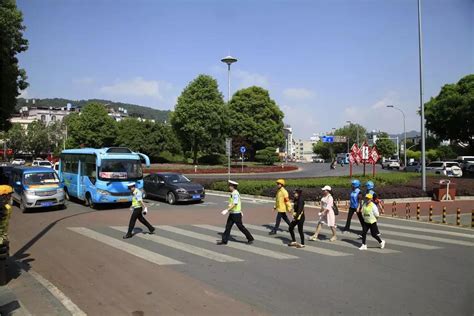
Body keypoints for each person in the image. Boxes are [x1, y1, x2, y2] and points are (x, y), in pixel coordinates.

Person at [218, 180, 254, 245]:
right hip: (232, 213)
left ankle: (250, 238)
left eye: (229, 186)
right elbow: (234, 203)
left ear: (233, 186)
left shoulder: (235, 194)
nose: (229, 187)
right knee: (228, 227)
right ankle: (224, 241)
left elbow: (235, 203)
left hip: (236, 214)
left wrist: (227, 210)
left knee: (241, 227)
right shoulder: (233, 193)